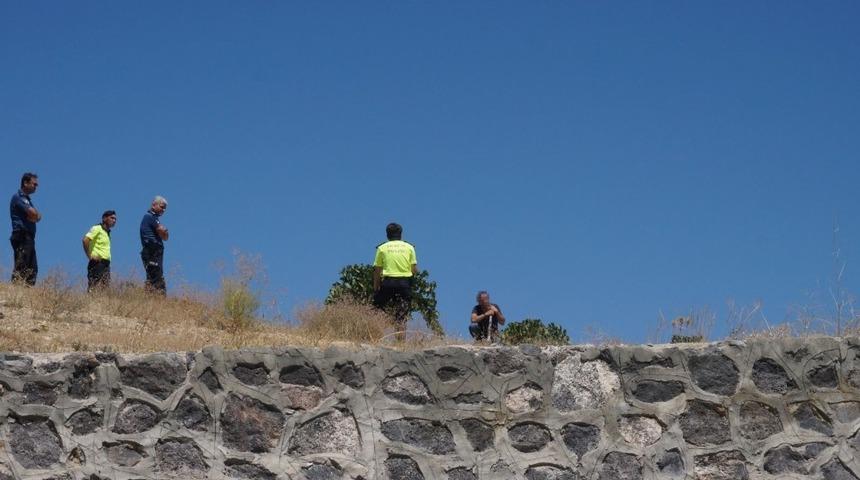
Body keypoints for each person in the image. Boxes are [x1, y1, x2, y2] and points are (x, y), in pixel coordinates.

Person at [373, 222, 418, 330]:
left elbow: (377, 270)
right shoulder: (410, 247)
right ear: (401, 235)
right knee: (401, 315)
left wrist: (376, 288)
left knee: (376, 308)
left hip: (388, 283)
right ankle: (400, 340)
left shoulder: (382, 248)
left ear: (387, 235)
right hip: (404, 284)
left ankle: (375, 333)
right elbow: (414, 270)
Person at [9, 172, 41, 285]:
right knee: (22, 265)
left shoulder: (28, 200)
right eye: (34, 184)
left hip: (29, 237)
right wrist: (35, 215)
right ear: (25, 183)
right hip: (21, 235)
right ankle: (14, 292)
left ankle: (27, 295)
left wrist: (36, 216)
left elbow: (37, 216)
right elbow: (33, 213)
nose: (36, 186)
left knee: (32, 268)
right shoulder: (18, 197)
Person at [139, 196, 169, 294]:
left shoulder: (154, 217)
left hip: (154, 250)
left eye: (165, 208)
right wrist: (164, 231)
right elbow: (163, 233)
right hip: (152, 249)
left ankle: (153, 298)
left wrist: (164, 232)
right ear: (153, 205)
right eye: (161, 207)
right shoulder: (150, 216)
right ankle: (155, 298)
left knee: (155, 275)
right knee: (155, 275)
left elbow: (165, 237)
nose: (163, 210)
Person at [82, 210, 117, 292]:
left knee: (104, 290)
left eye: (115, 219)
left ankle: (100, 304)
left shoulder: (107, 232)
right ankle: (90, 304)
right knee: (94, 288)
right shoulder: (97, 228)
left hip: (106, 264)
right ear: (104, 218)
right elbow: (85, 240)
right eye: (112, 218)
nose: (114, 221)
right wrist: (89, 255)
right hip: (97, 263)